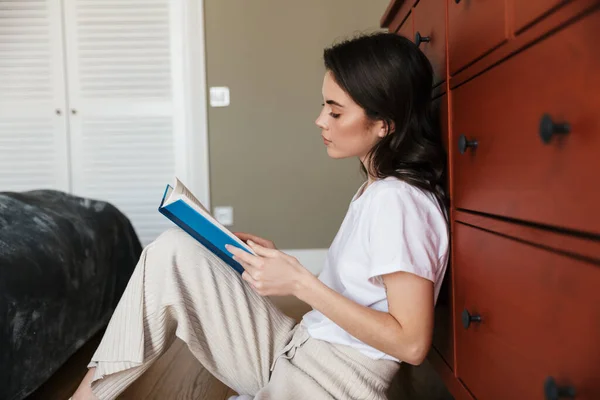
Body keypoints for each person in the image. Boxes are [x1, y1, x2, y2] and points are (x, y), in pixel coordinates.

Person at [71, 31, 449, 400]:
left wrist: (300, 283)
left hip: (330, 385)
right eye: (323, 105)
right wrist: (279, 266)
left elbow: (411, 343)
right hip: (298, 351)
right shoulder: (375, 190)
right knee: (173, 252)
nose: (321, 120)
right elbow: (364, 296)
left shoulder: (398, 202)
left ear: (385, 123)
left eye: (335, 111)